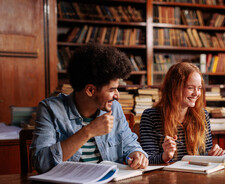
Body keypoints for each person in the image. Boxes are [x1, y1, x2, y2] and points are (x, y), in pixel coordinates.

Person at [31, 44, 148, 173]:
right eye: (112, 89)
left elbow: (130, 144)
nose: (117, 96)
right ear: (90, 90)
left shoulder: (114, 108)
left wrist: (137, 154)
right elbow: (41, 163)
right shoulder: (50, 109)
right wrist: (88, 131)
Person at [139, 62, 225, 164]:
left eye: (199, 88)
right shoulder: (150, 117)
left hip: (196, 177)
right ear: (174, 88)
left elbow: (203, 155)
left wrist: (211, 155)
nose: (196, 93)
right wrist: (164, 156)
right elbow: (147, 160)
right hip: (166, 177)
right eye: (190, 88)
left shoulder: (203, 115)